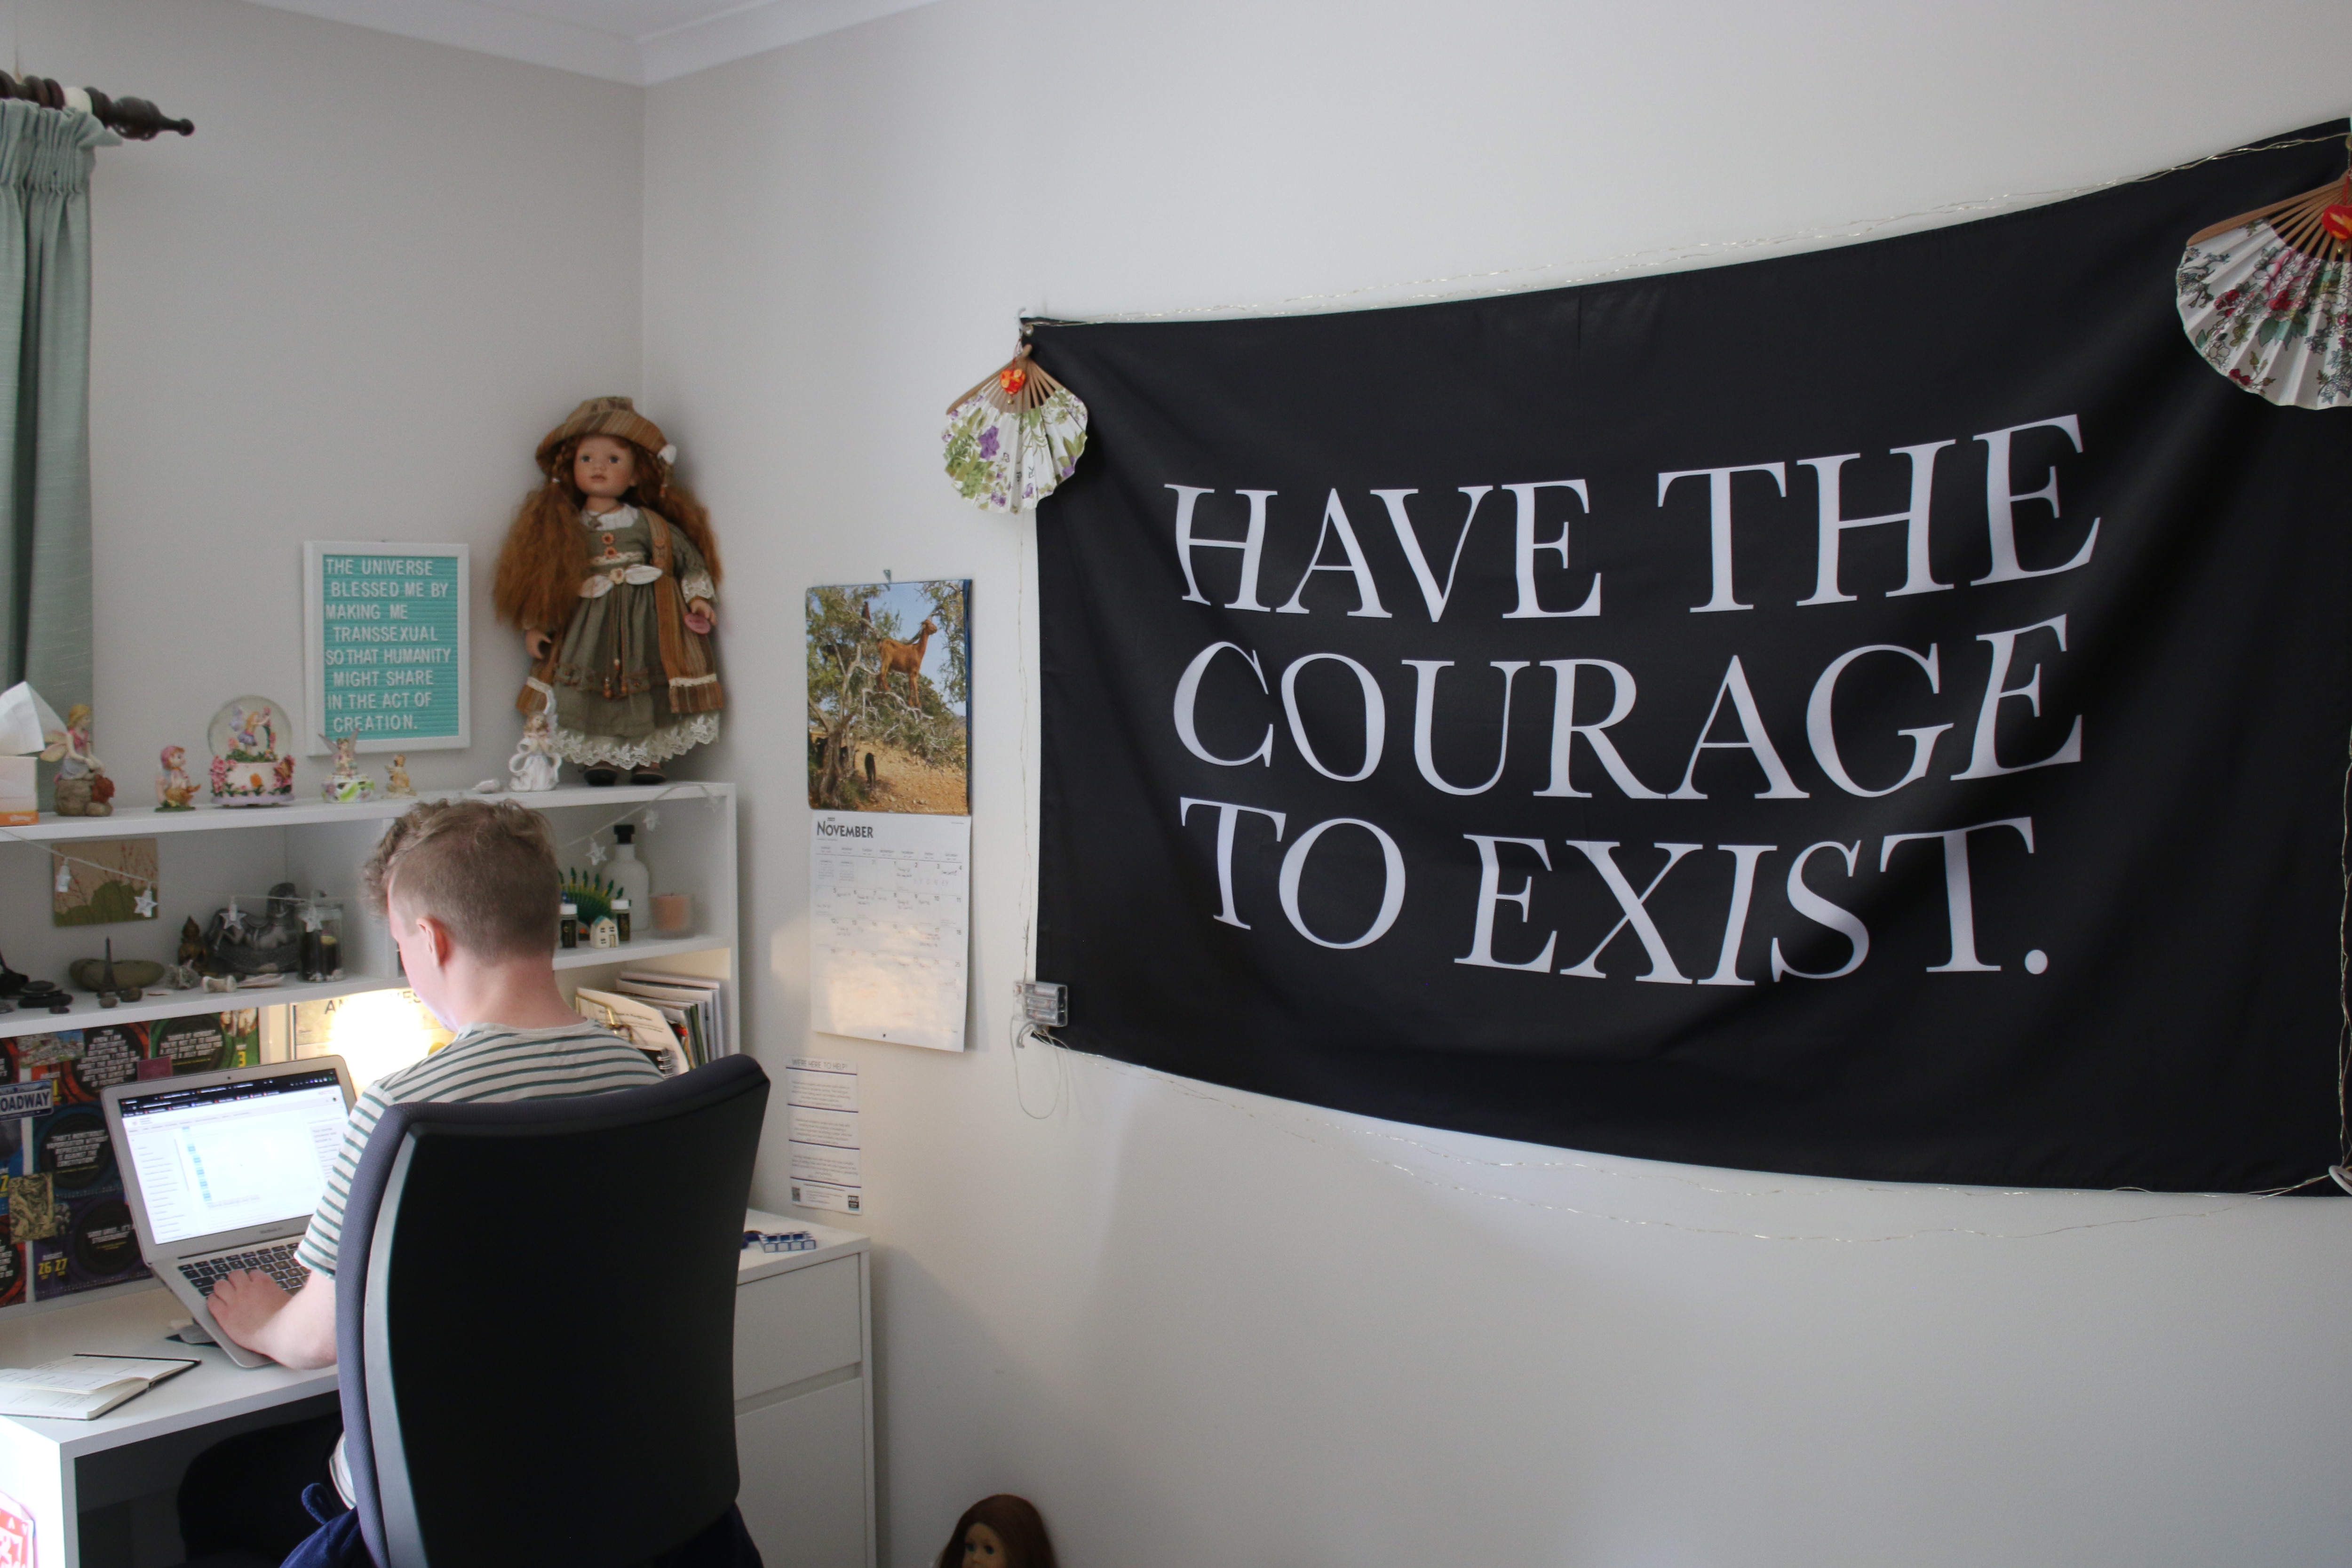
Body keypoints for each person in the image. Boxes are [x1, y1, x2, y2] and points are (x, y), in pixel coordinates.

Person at [180, 798, 662, 1563]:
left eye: (400, 941)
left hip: (446, 1498)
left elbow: (313, 1342)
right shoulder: (640, 1077)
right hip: (602, 1471)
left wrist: (261, 1319)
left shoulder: (408, 1109)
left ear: (429, 939)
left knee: (214, 1484)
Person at [493, 395, 725, 787]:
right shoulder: (564, 527)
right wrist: (537, 625)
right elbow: (546, 578)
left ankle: (648, 757)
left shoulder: (650, 524)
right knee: (593, 690)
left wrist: (698, 597)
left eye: (614, 459)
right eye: (587, 458)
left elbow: (687, 558)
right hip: (589, 627)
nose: (599, 467)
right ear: (571, 468)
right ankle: (600, 757)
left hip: (648, 624)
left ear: (636, 475)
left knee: (649, 687)